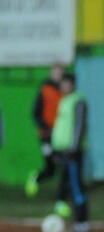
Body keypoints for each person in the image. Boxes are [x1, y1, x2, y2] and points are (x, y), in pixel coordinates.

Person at [50, 72, 88, 232]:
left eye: (67, 83)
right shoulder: (64, 100)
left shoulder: (78, 101)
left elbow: (79, 125)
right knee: (65, 187)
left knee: (76, 187)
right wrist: (56, 149)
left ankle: (81, 224)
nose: (64, 86)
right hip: (63, 151)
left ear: (73, 85)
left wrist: (74, 148)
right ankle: (73, 223)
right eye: (62, 83)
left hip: (73, 152)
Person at [26, 63, 64, 198]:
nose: (58, 75)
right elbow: (36, 113)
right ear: (51, 73)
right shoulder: (45, 89)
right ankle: (36, 178)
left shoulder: (65, 91)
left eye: (60, 73)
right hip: (46, 135)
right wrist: (46, 128)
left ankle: (62, 198)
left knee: (64, 166)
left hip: (61, 136)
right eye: (56, 72)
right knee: (50, 168)